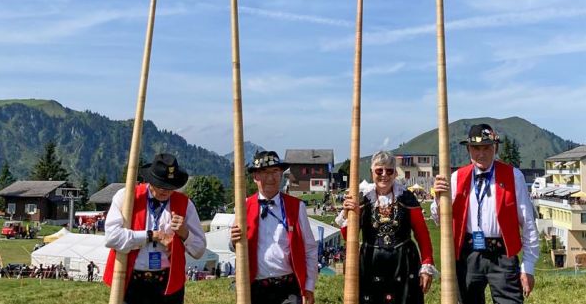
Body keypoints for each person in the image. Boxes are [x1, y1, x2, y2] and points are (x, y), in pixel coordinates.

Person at [431, 124, 539, 304]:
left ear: (495, 148)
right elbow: (439, 221)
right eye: (476, 148)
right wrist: (437, 199)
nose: (481, 154)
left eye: (487, 147)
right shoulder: (457, 177)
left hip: (502, 255)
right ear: (468, 149)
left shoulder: (513, 176)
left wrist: (528, 267)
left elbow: (528, 222)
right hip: (468, 255)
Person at [104, 153, 207, 304]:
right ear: (150, 181)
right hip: (132, 282)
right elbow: (112, 237)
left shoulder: (185, 204)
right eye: (160, 185)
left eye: (170, 187)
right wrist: (151, 235)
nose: (165, 191)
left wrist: (184, 233)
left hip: (168, 284)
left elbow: (199, 250)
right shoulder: (126, 196)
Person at [337, 150, 436, 304]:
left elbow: (422, 234)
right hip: (371, 262)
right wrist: (346, 212)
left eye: (389, 171)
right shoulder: (362, 198)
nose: (384, 174)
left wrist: (426, 264)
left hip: (403, 262)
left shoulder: (407, 197)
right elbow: (347, 236)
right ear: (371, 172)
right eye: (379, 170)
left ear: (395, 173)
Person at [230, 151, 318, 304]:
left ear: (281, 174)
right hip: (255, 288)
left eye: (275, 171)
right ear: (255, 176)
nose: (270, 178)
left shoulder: (297, 207)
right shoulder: (243, 206)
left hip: (289, 287)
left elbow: (310, 248)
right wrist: (232, 239)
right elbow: (233, 246)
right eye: (264, 172)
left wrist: (308, 286)